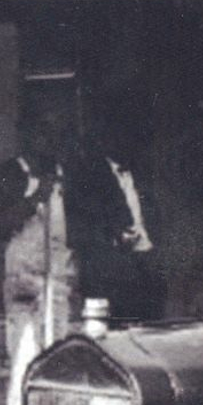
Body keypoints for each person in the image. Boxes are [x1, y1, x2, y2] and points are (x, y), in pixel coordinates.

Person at [0, 149, 77, 405]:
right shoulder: (10, 172)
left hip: (58, 281)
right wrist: (35, 198)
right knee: (24, 356)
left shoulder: (67, 179)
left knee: (56, 356)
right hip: (23, 280)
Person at [68, 127, 163, 323]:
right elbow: (85, 224)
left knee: (149, 324)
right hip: (112, 270)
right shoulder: (90, 177)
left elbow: (154, 217)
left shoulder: (142, 175)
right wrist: (115, 237)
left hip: (145, 265)